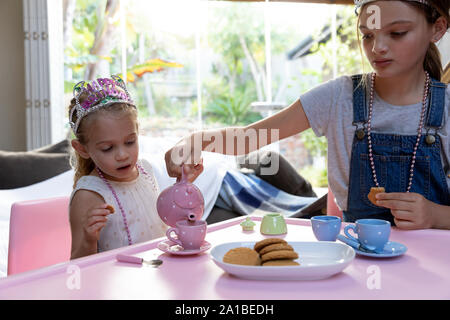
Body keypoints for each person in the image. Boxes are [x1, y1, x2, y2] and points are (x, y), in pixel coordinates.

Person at [165, 0, 450, 230]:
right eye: (367, 35)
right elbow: (252, 138)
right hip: (360, 260)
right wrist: (195, 140)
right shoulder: (338, 98)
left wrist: (436, 216)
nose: (377, 48)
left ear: (437, 29)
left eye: (397, 33)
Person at [68, 76, 167, 259]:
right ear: (82, 149)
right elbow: (76, 264)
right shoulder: (89, 195)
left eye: (130, 142)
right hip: (118, 283)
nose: (122, 155)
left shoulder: (145, 170)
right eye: (108, 148)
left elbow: (159, 226)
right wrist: (89, 240)